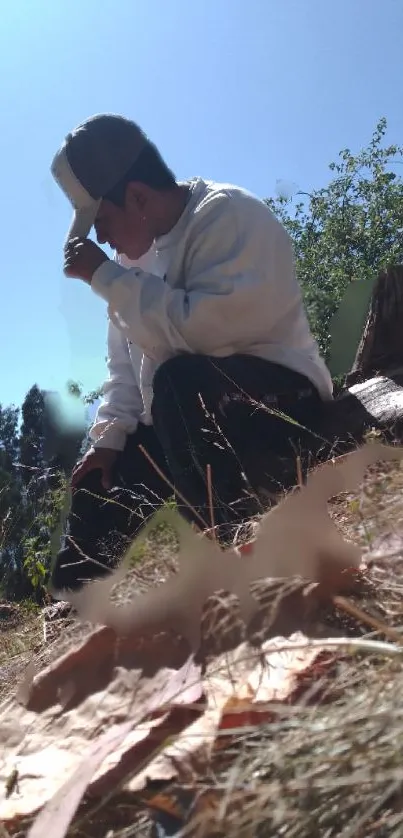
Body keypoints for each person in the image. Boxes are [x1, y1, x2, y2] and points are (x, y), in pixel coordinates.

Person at [49, 113, 333, 595]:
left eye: (101, 220)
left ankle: (239, 554)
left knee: (181, 384)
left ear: (137, 197)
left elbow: (205, 335)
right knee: (101, 473)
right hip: (187, 413)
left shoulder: (227, 215)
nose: (99, 238)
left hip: (284, 399)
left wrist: (108, 280)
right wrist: (110, 438)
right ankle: (70, 604)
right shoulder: (128, 267)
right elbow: (125, 366)